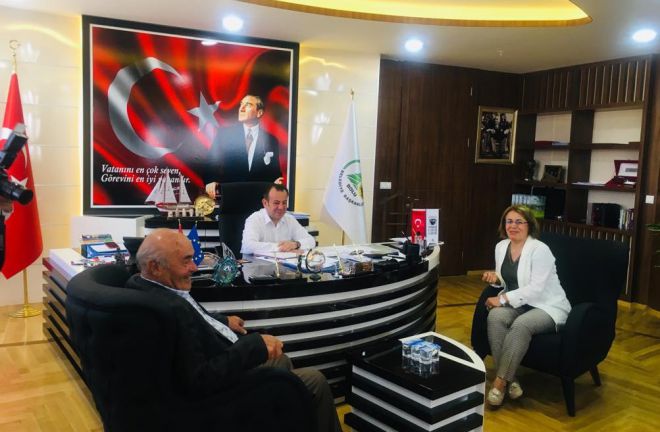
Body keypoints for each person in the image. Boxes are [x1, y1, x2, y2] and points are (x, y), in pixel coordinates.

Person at [127, 228, 341, 432]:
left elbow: (196, 319)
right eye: (186, 260)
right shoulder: (168, 309)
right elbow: (200, 379)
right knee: (315, 381)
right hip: (219, 396)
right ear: (155, 267)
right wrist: (255, 345)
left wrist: (223, 320)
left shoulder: (146, 285)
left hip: (222, 359)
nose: (194, 267)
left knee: (281, 361)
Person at [482, 205, 571, 407]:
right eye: (509, 221)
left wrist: (502, 300)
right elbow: (507, 279)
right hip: (520, 303)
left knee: (521, 325)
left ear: (529, 225)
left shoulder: (540, 250)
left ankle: (499, 383)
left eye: (519, 222)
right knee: (495, 317)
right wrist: (495, 279)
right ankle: (511, 380)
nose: (513, 226)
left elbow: (536, 289)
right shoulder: (501, 246)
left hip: (546, 305)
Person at [205, 95, 283, 198]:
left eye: (248, 105)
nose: (241, 108)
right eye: (241, 104)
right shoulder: (224, 134)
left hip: (259, 199)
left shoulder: (271, 140)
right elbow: (210, 163)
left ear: (259, 113)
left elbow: (275, 173)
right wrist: (210, 181)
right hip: (230, 197)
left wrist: (277, 181)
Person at [241, 183, 315, 255]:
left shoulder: (289, 219)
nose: (281, 207)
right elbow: (248, 246)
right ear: (265, 203)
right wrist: (281, 248)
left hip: (284, 262)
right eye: (276, 203)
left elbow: (311, 241)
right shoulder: (254, 219)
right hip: (258, 263)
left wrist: (295, 244)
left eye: (284, 203)